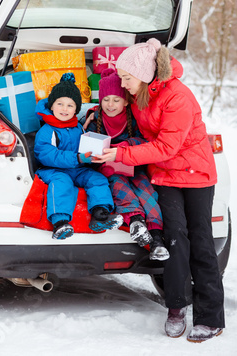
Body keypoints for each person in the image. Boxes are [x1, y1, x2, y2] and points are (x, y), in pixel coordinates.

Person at [93, 38, 225, 343]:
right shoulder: (141, 93)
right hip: (164, 175)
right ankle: (176, 307)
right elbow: (131, 124)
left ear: (143, 73)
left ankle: (210, 317)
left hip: (196, 174)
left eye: (126, 77)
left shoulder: (177, 97)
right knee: (175, 239)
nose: (122, 84)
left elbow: (166, 146)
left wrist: (121, 155)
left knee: (201, 242)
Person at [84, 68, 169, 261]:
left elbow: (145, 142)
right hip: (110, 170)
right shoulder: (94, 119)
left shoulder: (134, 118)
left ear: (125, 101)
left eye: (116, 100)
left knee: (147, 191)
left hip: (134, 167)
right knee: (120, 186)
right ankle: (136, 222)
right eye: (106, 100)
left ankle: (156, 238)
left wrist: (124, 146)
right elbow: (86, 146)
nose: (110, 105)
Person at [34, 72, 123, 240]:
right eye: (60, 104)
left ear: (76, 109)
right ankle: (60, 223)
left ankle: (100, 214)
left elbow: (84, 149)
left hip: (78, 169)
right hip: (53, 169)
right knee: (62, 182)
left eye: (70, 105)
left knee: (97, 179)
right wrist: (78, 158)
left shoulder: (78, 127)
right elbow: (46, 155)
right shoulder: (46, 130)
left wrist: (94, 155)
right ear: (51, 106)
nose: (64, 109)